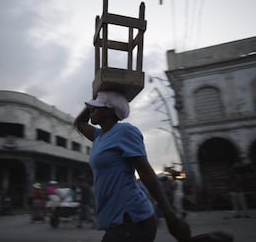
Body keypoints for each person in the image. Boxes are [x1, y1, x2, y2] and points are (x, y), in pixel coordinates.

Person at [74, 90, 190, 242]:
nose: (91, 109)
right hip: (116, 221)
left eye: (97, 106)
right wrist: (96, 96)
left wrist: (170, 216)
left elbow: (146, 173)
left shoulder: (125, 131)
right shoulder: (99, 137)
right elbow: (79, 123)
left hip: (131, 219)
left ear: (110, 112)